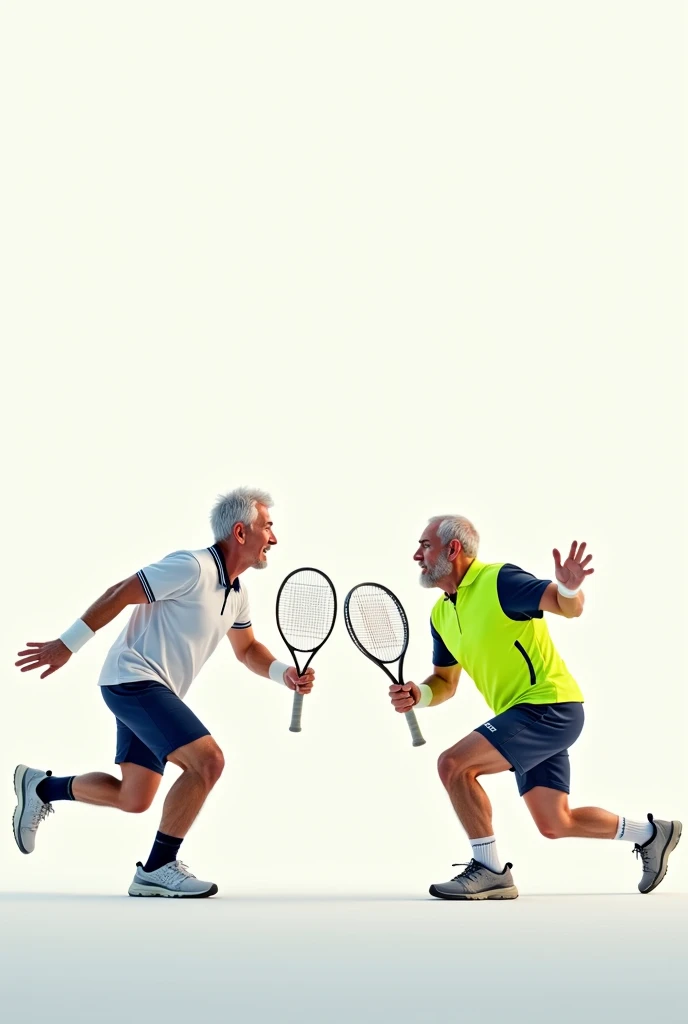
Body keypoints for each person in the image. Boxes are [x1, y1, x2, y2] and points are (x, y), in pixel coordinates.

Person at [13, 487, 311, 898]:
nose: (273, 539)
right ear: (240, 533)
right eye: (268, 527)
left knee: (134, 798)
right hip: (132, 680)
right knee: (208, 762)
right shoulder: (191, 567)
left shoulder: (237, 593)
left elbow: (247, 651)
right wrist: (67, 643)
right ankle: (157, 867)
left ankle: (40, 788)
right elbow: (121, 592)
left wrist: (284, 674)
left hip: (152, 688)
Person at [389, 515, 681, 900]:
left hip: (549, 706)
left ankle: (490, 870)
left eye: (425, 546)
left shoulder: (499, 581)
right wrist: (418, 695)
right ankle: (652, 834)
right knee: (556, 822)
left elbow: (566, 606)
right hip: (524, 716)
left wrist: (568, 586)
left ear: (453, 549)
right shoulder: (441, 614)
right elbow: (444, 683)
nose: (417, 555)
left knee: (454, 765)